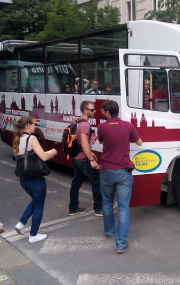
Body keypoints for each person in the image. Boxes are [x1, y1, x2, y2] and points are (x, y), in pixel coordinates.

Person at [97, 100, 142, 254]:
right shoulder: (128, 126)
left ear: (107, 113)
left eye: (102, 111)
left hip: (107, 170)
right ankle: (121, 244)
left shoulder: (102, 127)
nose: (102, 113)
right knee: (123, 208)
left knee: (107, 204)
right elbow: (140, 142)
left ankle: (109, 232)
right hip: (123, 172)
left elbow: (102, 140)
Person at [13, 115, 57, 243]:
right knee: (39, 205)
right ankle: (33, 235)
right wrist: (53, 152)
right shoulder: (31, 138)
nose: (35, 127)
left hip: (23, 178)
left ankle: (21, 223)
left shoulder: (17, 139)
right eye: (34, 124)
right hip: (36, 178)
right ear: (28, 126)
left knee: (35, 201)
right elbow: (43, 157)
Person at [68, 101, 102, 216]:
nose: (95, 111)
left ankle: (73, 208)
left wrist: (91, 153)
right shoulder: (85, 125)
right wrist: (91, 159)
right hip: (82, 159)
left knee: (76, 183)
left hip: (76, 157)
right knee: (96, 181)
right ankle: (99, 209)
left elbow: (81, 143)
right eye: (92, 110)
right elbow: (84, 143)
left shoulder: (77, 122)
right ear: (85, 111)